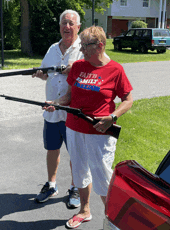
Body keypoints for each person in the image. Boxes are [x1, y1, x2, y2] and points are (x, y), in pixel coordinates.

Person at [44, 25, 133, 228]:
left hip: (100, 131)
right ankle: (84, 210)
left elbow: (128, 99)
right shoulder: (78, 67)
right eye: (81, 45)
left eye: (85, 46)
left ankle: (116, 219)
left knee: (102, 174)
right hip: (74, 128)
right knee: (79, 170)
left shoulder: (115, 69)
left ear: (100, 46)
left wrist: (113, 116)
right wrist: (55, 103)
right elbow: (68, 96)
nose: (81, 49)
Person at [32, 9, 83, 208]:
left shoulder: (83, 48)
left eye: (71, 23)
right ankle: (52, 185)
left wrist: (76, 67)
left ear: (78, 27)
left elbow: (94, 68)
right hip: (51, 110)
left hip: (73, 112)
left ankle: (76, 187)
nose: (67, 27)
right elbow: (46, 73)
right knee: (52, 149)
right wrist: (39, 74)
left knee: (76, 153)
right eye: (64, 23)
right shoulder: (53, 48)